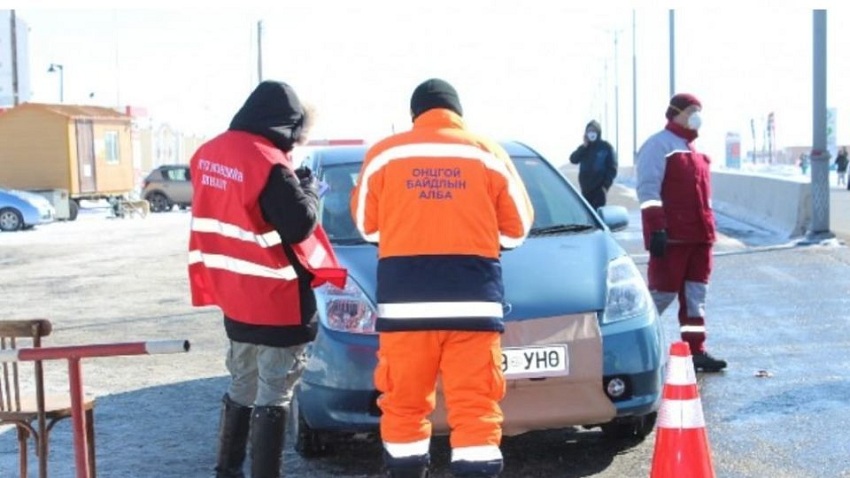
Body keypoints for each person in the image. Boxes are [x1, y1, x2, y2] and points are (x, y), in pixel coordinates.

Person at [350, 78, 533, 478]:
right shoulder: (487, 153)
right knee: (475, 410)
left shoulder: (384, 155)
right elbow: (517, 230)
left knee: (404, 406)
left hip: (405, 307)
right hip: (472, 303)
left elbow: (367, 227)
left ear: (414, 114)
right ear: (458, 114)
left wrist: (408, 228)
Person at [188, 80, 346, 478]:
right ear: (288, 126)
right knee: (275, 392)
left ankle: (227, 470)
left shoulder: (207, 154)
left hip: (235, 296)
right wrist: (308, 187)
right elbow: (299, 224)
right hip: (277, 299)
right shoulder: (267, 162)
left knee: (242, 383)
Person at [635, 92, 727, 373]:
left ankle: (695, 351)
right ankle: (634, 347)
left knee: (696, 296)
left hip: (699, 237)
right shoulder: (659, 145)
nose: (697, 115)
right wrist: (656, 230)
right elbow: (648, 191)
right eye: (691, 110)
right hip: (673, 238)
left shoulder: (695, 151)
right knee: (661, 294)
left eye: (698, 109)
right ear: (676, 113)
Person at [568, 120, 618, 209]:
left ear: (598, 132)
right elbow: (573, 159)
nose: (591, 133)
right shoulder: (584, 148)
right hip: (585, 190)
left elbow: (612, 168)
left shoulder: (606, 147)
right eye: (589, 131)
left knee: (597, 216)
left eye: (594, 131)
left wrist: (605, 186)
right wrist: (584, 146)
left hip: (599, 191)